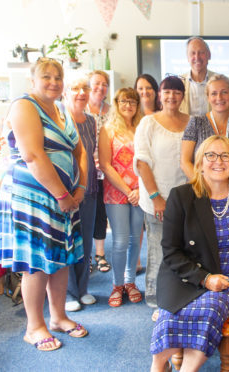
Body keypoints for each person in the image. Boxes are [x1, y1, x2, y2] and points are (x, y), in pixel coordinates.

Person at [0, 58, 88, 351]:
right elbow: (33, 156)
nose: (53, 82)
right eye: (46, 76)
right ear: (32, 81)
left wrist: (81, 188)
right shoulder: (24, 106)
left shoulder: (61, 110)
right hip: (34, 199)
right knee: (36, 264)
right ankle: (34, 326)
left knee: (59, 260)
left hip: (64, 199)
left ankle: (59, 317)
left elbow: (80, 151)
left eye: (58, 77)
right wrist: (63, 195)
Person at [149, 136, 229, 372]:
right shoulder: (181, 196)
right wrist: (205, 279)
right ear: (199, 163)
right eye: (211, 155)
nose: (219, 161)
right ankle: (158, 365)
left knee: (207, 312)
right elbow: (171, 251)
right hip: (187, 276)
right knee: (169, 319)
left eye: (226, 155)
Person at [134, 76, 189, 318]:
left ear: (183, 96)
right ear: (160, 95)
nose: (172, 96)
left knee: (183, 251)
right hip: (157, 198)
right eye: (167, 92)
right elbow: (141, 163)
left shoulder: (192, 122)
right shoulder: (148, 123)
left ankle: (179, 295)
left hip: (185, 199)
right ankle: (156, 300)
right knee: (158, 250)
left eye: (177, 92)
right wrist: (157, 197)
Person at [99, 87, 144, 307]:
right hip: (116, 192)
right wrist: (128, 191)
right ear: (116, 103)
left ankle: (130, 282)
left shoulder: (141, 128)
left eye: (133, 102)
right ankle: (117, 284)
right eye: (124, 101)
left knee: (136, 240)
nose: (128, 105)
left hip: (139, 193)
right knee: (119, 241)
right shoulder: (107, 130)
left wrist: (138, 191)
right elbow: (105, 165)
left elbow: (146, 161)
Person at [63, 73, 99, 312]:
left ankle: (83, 289)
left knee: (85, 242)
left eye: (85, 88)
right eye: (75, 88)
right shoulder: (58, 120)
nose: (81, 93)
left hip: (90, 188)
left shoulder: (91, 121)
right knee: (67, 241)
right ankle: (68, 293)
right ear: (65, 92)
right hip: (65, 189)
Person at [181, 74, 229, 179]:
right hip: (201, 190)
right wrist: (203, 187)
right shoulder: (196, 123)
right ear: (208, 97)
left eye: (224, 92)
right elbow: (185, 162)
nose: (219, 97)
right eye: (214, 93)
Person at [86, 70, 111, 274]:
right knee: (85, 212)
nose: (100, 87)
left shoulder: (110, 111)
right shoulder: (79, 107)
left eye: (104, 84)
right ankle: (84, 255)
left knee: (101, 212)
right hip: (84, 168)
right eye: (96, 83)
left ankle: (100, 254)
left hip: (105, 168)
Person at [179, 36, 217, 116]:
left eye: (201, 52)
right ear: (187, 57)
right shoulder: (179, 82)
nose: (197, 57)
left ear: (209, 55)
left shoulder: (221, 82)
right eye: (193, 53)